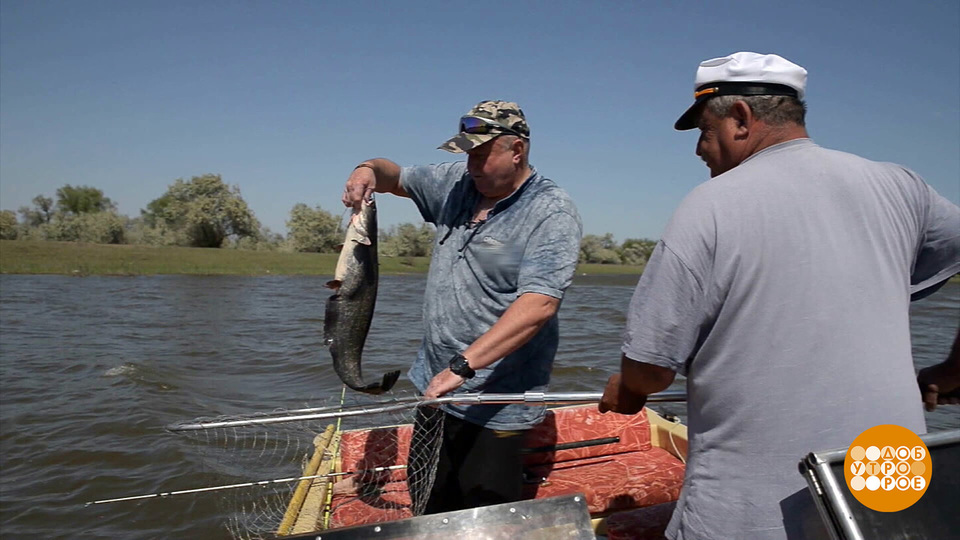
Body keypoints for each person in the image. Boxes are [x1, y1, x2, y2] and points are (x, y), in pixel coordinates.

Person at [598, 52, 960, 540]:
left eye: (705, 131)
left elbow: (650, 367)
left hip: (758, 508)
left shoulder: (709, 206)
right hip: (894, 482)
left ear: (741, 120)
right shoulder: (902, 187)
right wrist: (953, 371)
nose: (699, 150)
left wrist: (630, 389)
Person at [341, 100, 582, 514]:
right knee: (428, 502)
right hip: (434, 388)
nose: (471, 165)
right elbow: (392, 174)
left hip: (496, 402)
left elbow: (538, 305)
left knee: (484, 515)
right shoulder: (454, 183)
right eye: (467, 154)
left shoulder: (550, 211)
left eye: (481, 154)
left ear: (517, 151)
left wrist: (462, 367)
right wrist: (366, 170)